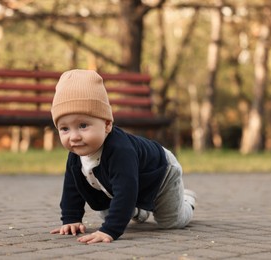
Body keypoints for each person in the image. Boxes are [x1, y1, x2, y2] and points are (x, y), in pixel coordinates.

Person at [49, 69, 196, 244]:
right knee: (108, 209)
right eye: (65, 128)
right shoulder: (76, 153)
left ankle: (186, 199)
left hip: (161, 171)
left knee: (170, 222)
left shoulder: (120, 150)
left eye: (83, 125)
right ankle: (140, 210)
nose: (74, 136)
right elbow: (73, 187)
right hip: (131, 180)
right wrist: (71, 218)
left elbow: (126, 191)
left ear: (107, 124)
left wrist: (110, 230)